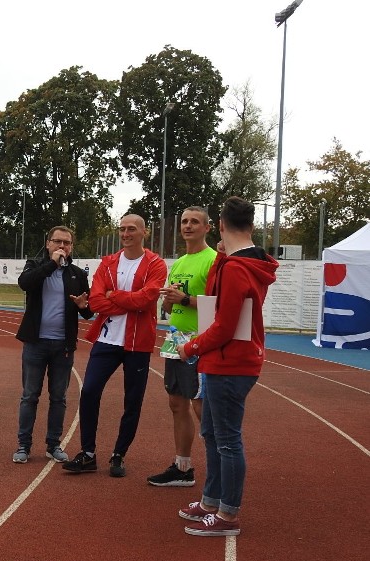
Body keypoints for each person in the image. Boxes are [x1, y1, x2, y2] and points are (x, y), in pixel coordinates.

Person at [177, 196, 278, 536]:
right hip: (227, 362)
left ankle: (228, 515)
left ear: (220, 225)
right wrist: (221, 254)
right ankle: (211, 501)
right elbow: (218, 304)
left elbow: (222, 323)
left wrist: (190, 347)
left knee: (227, 440)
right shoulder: (239, 263)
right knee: (212, 433)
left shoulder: (236, 269)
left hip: (230, 363)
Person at [63, 213, 167, 477]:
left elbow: (147, 299)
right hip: (107, 339)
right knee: (89, 392)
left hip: (138, 343)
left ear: (144, 232)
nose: (125, 234)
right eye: (122, 229)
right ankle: (88, 454)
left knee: (132, 401)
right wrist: (126, 300)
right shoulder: (108, 263)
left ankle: (119, 455)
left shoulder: (156, 264)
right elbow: (96, 302)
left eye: (131, 229)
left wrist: (115, 295)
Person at [148, 206, 217, 487]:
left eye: (194, 222)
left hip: (198, 338)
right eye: (185, 221)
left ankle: (217, 469)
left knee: (201, 406)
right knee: (177, 403)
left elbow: (218, 305)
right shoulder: (178, 262)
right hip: (175, 337)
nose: (188, 226)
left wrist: (185, 298)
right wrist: (167, 299)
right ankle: (182, 466)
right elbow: (170, 303)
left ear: (207, 228)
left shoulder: (213, 260)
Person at [12, 226, 92, 464]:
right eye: (57, 242)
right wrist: (53, 264)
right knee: (29, 396)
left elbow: (89, 311)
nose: (62, 246)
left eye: (66, 243)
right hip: (36, 344)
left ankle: (53, 445)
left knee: (59, 397)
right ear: (48, 244)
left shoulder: (78, 274)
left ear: (72, 247)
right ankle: (23, 445)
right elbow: (25, 284)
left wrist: (83, 306)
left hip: (63, 346)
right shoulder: (35, 266)